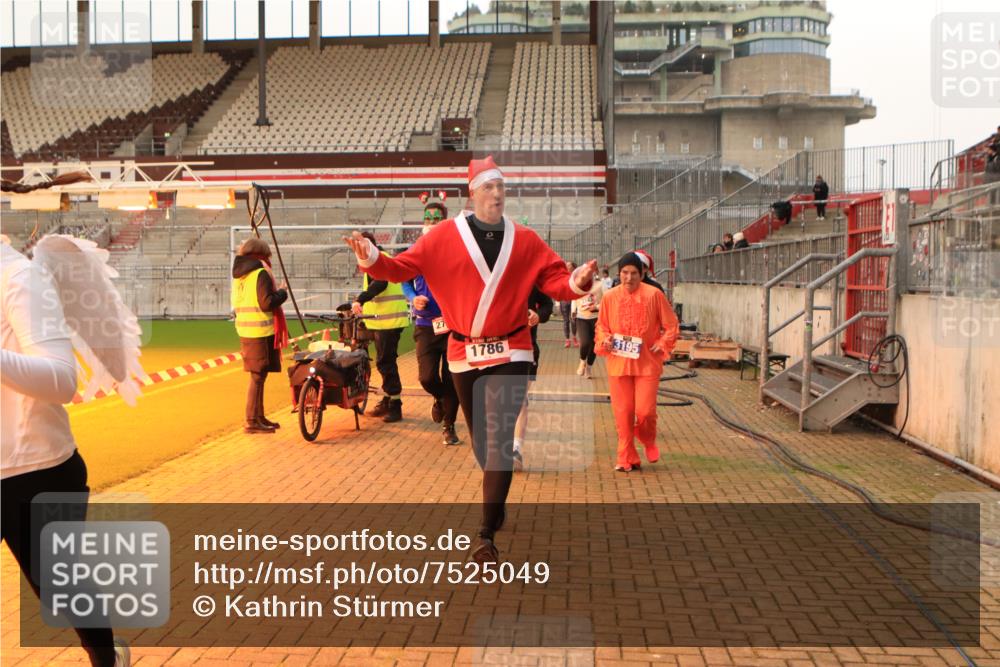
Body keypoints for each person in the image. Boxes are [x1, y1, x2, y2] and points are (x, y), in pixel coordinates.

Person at [344, 155, 597, 564]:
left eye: (501, 188)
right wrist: (372, 257)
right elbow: (401, 267)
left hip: (513, 347)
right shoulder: (443, 237)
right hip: (463, 351)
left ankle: (484, 536)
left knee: (496, 443)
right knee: (484, 445)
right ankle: (496, 502)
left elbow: (554, 279)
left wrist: (576, 282)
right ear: (473, 193)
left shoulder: (525, 239)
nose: (497, 194)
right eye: (489, 188)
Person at [1, 236, 130, 667]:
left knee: (63, 589)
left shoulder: (19, 277)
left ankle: (106, 657)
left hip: (34, 471)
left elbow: (61, 380)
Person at [596, 252, 680, 472]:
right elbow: (601, 326)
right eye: (625, 273)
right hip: (618, 363)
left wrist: (662, 343)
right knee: (623, 412)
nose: (629, 277)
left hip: (647, 363)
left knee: (645, 412)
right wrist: (605, 339)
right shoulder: (609, 297)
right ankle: (626, 456)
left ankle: (647, 438)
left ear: (642, 273)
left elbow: (671, 325)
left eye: (634, 273)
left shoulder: (654, 295)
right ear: (619, 274)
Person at [400, 197, 461, 445]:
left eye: (437, 218)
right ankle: (440, 398)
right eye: (429, 218)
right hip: (425, 325)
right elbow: (405, 280)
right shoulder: (417, 251)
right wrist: (413, 297)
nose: (433, 222)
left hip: (453, 326)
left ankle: (449, 425)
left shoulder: (456, 251)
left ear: (445, 221)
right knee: (427, 378)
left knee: (452, 377)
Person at [231, 238, 288, 434]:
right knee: (257, 377)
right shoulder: (260, 273)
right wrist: (282, 293)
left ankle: (258, 417)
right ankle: (252, 420)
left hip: (246, 329)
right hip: (260, 331)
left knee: (259, 376)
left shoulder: (240, 276)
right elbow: (267, 303)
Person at [352, 232, 409, 423]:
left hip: (388, 321)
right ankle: (387, 400)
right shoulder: (378, 260)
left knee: (386, 362)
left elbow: (380, 284)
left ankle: (395, 405)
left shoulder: (380, 260)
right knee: (384, 361)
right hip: (381, 320)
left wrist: (360, 299)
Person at [512, 286, 554, 471]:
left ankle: (516, 449)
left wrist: (538, 315)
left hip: (526, 346)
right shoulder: (492, 273)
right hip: (497, 347)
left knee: (520, 400)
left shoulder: (532, 277)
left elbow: (547, 304)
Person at [573, 274, 603, 379]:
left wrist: (597, 307)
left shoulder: (600, 285)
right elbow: (574, 297)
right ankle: (582, 361)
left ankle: (589, 368)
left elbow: (606, 300)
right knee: (585, 342)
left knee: (594, 345)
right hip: (582, 318)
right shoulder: (578, 285)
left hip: (596, 318)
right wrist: (573, 311)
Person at [558, 261, 579, 348]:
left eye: (569, 265)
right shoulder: (562, 276)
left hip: (573, 301)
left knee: (573, 320)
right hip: (564, 300)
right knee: (565, 321)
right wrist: (557, 301)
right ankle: (567, 340)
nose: (567, 266)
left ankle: (574, 338)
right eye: (566, 265)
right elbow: (559, 288)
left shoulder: (576, 277)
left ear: (573, 267)